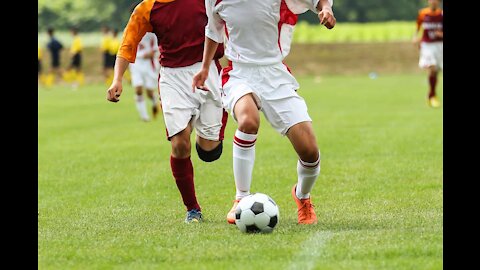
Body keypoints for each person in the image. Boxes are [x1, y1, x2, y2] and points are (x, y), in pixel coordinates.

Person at [192, 0, 335, 225]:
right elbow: (214, 30)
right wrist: (204, 67)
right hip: (239, 73)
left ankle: (302, 196)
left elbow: (319, 1)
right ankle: (241, 198)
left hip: (275, 75)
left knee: (309, 152)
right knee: (248, 120)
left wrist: (326, 9)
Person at [106, 0, 227, 223]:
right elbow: (127, 44)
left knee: (209, 152)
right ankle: (193, 209)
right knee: (180, 143)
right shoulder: (148, 8)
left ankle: (218, 110)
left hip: (208, 70)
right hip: (172, 78)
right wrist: (117, 80)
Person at [414, 0, 443, 108]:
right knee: (431, 68)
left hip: (440, 45)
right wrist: (415, 36)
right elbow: (418, 26)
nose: (433, 2)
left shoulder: (441, 14)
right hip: (427, 45)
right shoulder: (423, 13)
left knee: (436, 72)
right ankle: (432, 96)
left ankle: (431, 93)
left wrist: (441, 34)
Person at [129, 32, 161, 122]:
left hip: (149, 66)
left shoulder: (152, 34)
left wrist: (148, 54)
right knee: (138, 89)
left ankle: (154, 101)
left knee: (149, 92)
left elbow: (156, 50)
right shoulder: (131, 30)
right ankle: (144, 116)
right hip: (136, 65)